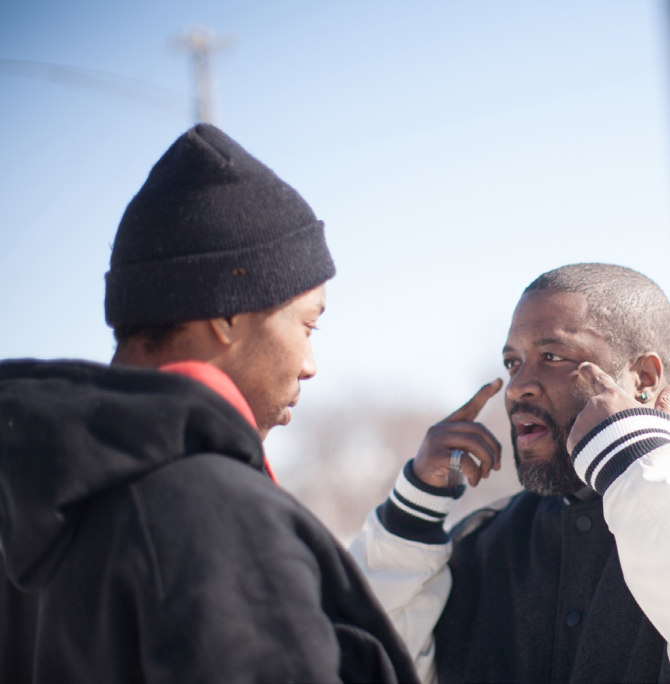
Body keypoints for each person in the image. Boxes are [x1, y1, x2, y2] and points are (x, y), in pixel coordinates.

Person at [0, 124, 417, 683]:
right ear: (227, 316)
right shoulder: (212, 514)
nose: (311, 363)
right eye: (307, 324)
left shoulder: (29, 501)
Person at [350, 263, 670, 684]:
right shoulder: (483, 541)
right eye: (513, 363)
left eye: (552, 356)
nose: (518, 388)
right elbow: (364, 665)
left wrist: (635, 461)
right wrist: (409, 519)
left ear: (643, 377)